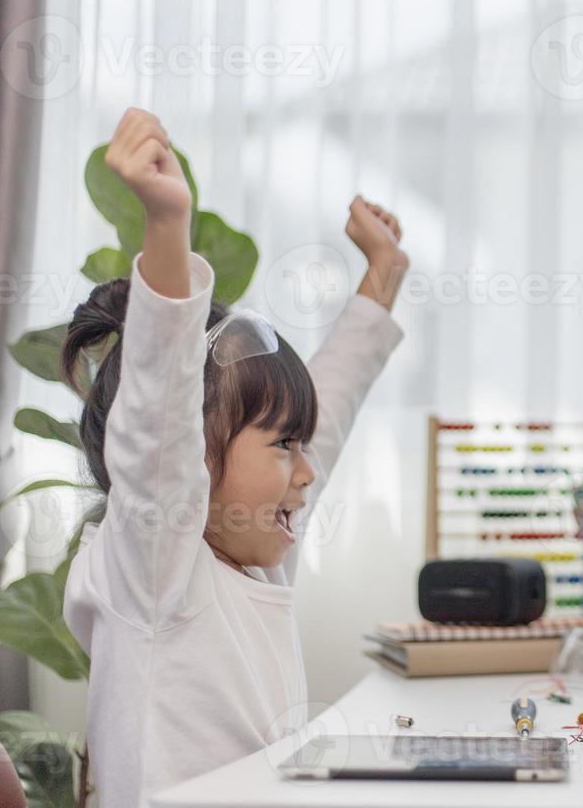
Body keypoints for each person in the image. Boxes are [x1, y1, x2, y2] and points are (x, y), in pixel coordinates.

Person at [60, 108, 409, 806]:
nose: (307, 472)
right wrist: (166, 224)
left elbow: (331, 402)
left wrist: (385, 274)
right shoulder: (157, 572)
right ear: (193, 460)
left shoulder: (259, 557)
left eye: (299, 446)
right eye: (285, 446)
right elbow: (158, 415)